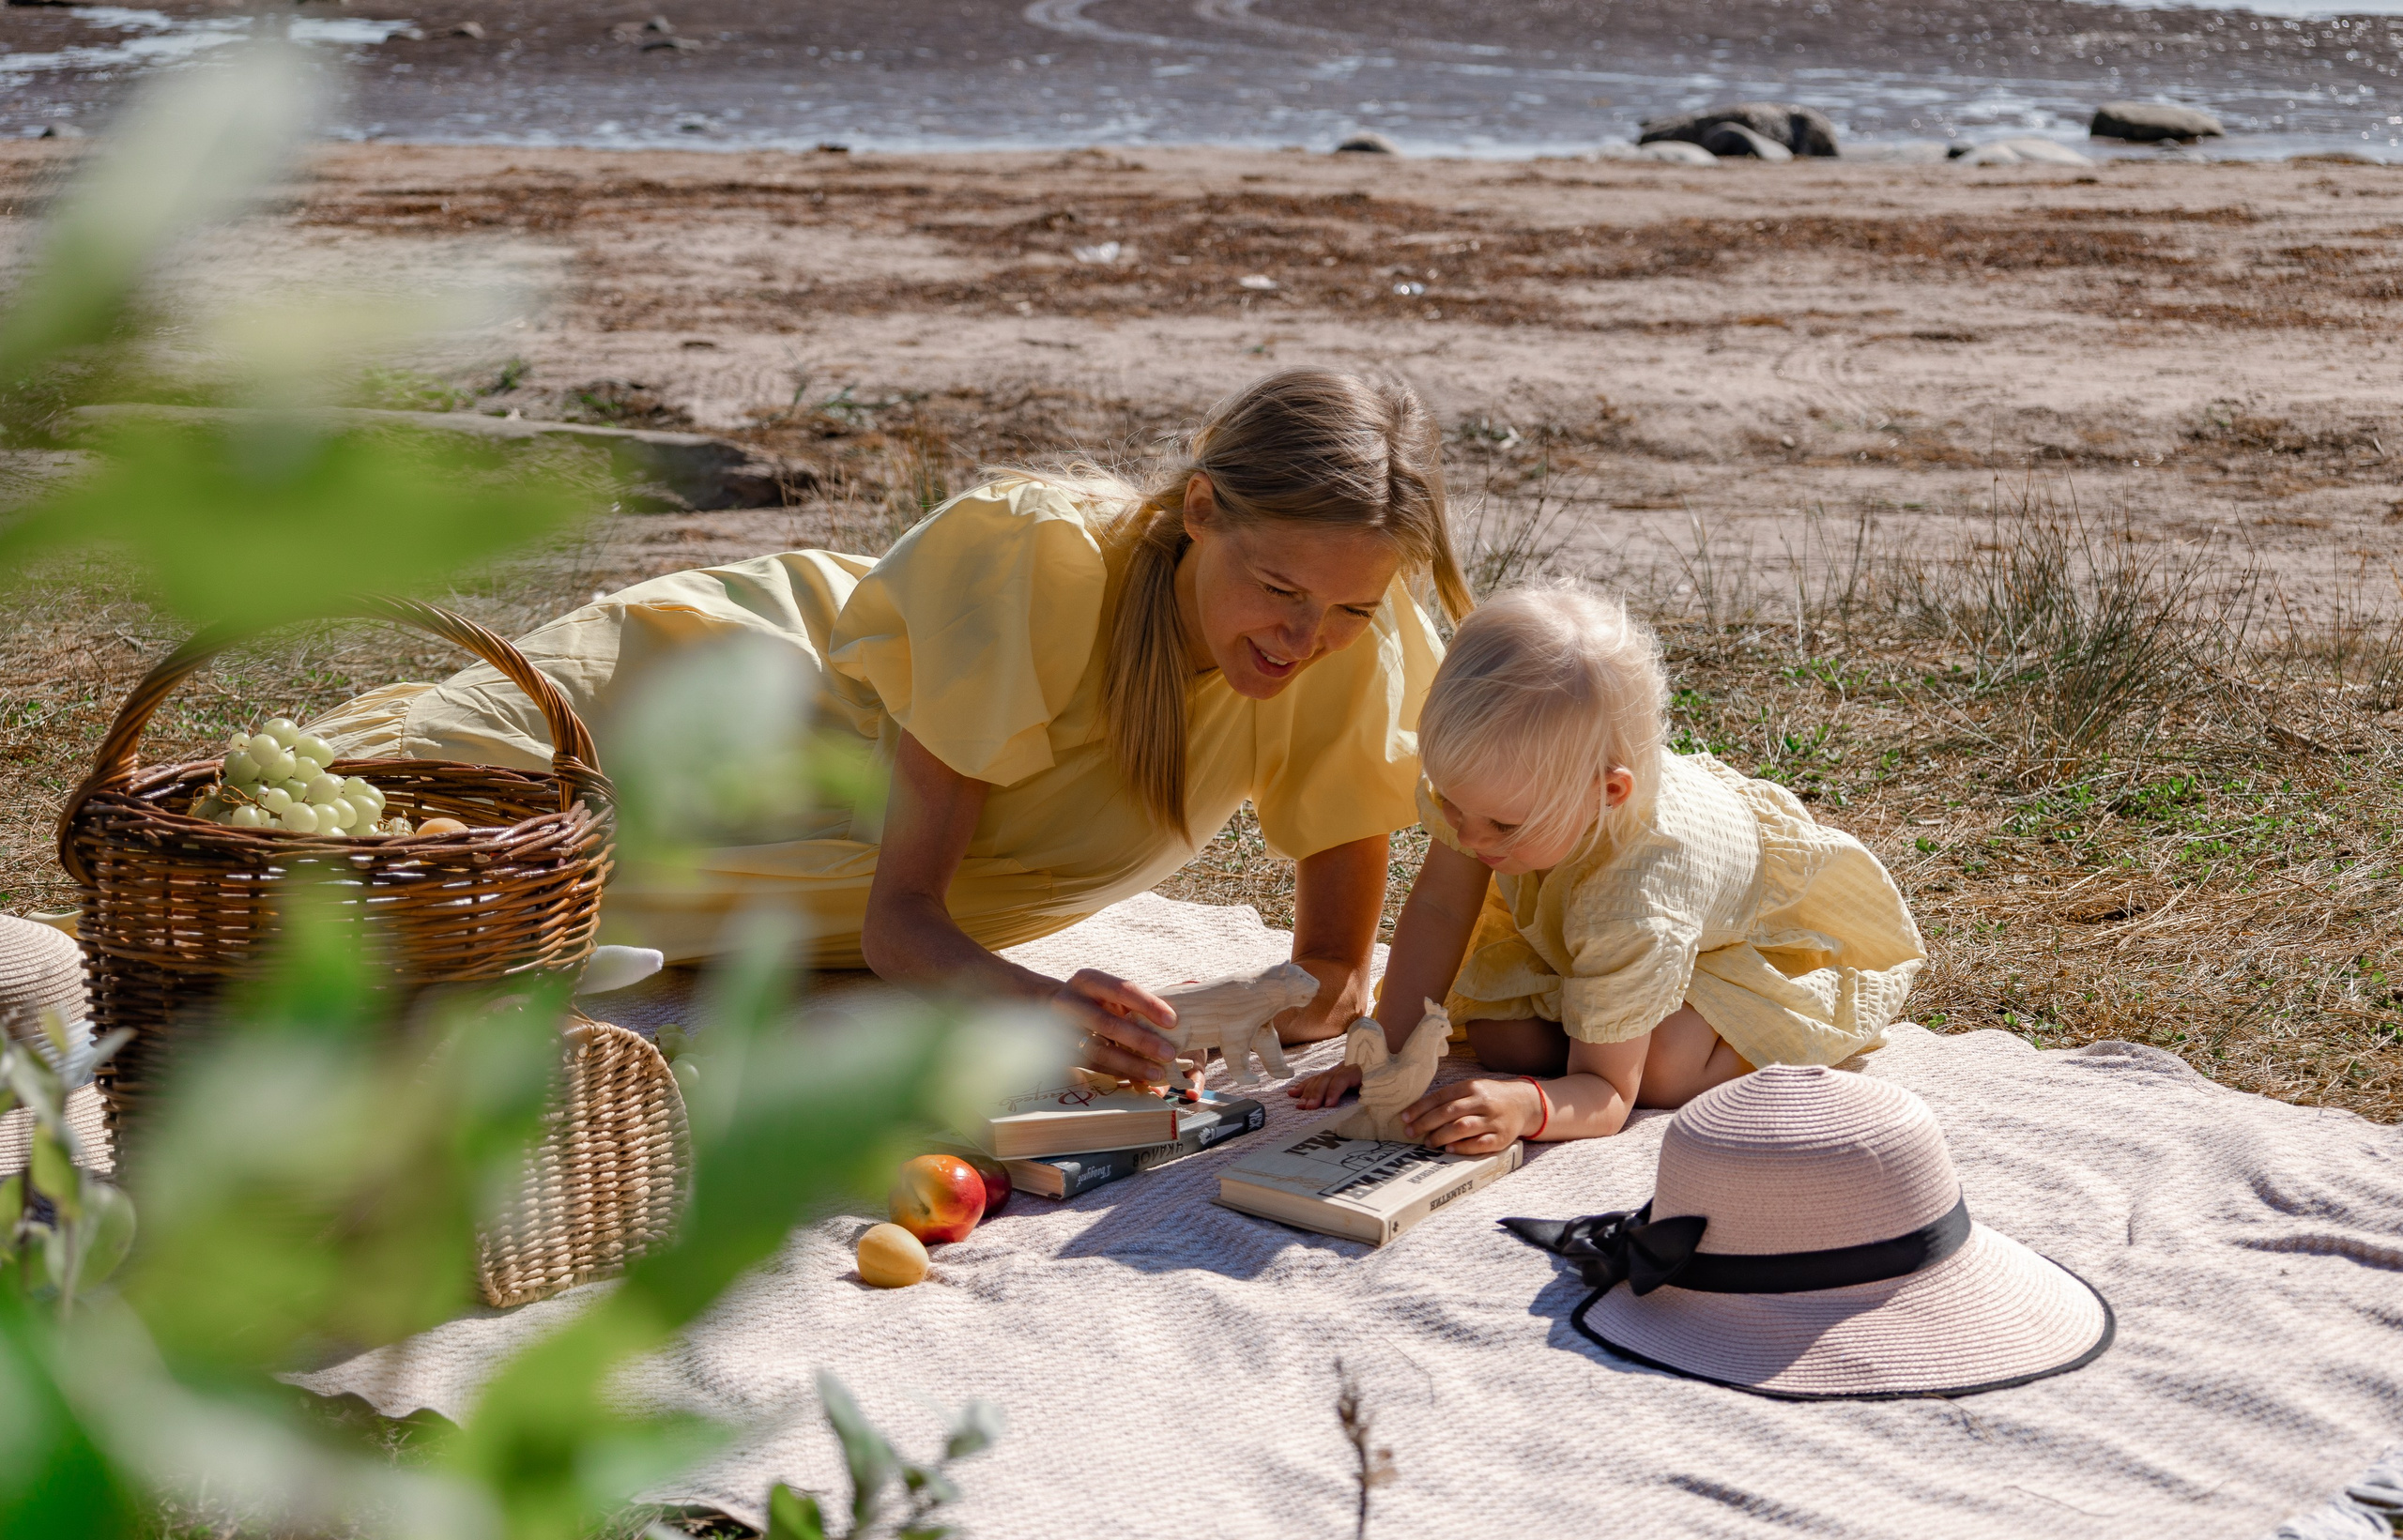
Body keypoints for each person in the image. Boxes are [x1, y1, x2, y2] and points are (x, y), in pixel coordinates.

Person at [314, 369, 1469, 1083]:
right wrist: (1036, 1014)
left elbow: (1329, 971)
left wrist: (1249, 1011)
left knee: (459, 928)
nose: (1306, 636)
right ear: (1204, 511)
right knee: (369, 856)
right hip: (723, 716)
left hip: (811, 857)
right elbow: (902, 928)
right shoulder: (1039, 564)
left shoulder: (1342, 641)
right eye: (1278, 589)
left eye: (1350, 607)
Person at [1288, 585, 1925, 1149]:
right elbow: (1440, 906)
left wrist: (1526, 1107)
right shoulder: (1487, 794)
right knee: (1499, 1033)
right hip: (1593, 906)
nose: (1468, 835)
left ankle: (1734, 1034)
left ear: (1607, 792)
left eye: (1503, 827)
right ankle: (1602, 1004)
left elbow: (1609, 1096)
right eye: (1452, 804)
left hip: (1736, 939)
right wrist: (1384, 1047)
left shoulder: (1641, 895)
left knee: (1661, 1069)